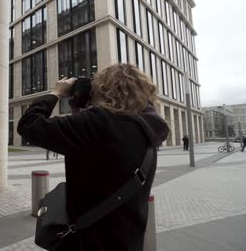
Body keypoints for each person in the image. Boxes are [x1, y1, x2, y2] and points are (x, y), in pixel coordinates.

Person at [18, 64, 170, 250]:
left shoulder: (99, 123)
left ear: (104, 89)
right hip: (128, 240)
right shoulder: (148, 129)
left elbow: (29, 125)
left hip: (90, 241)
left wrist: (55, 93)